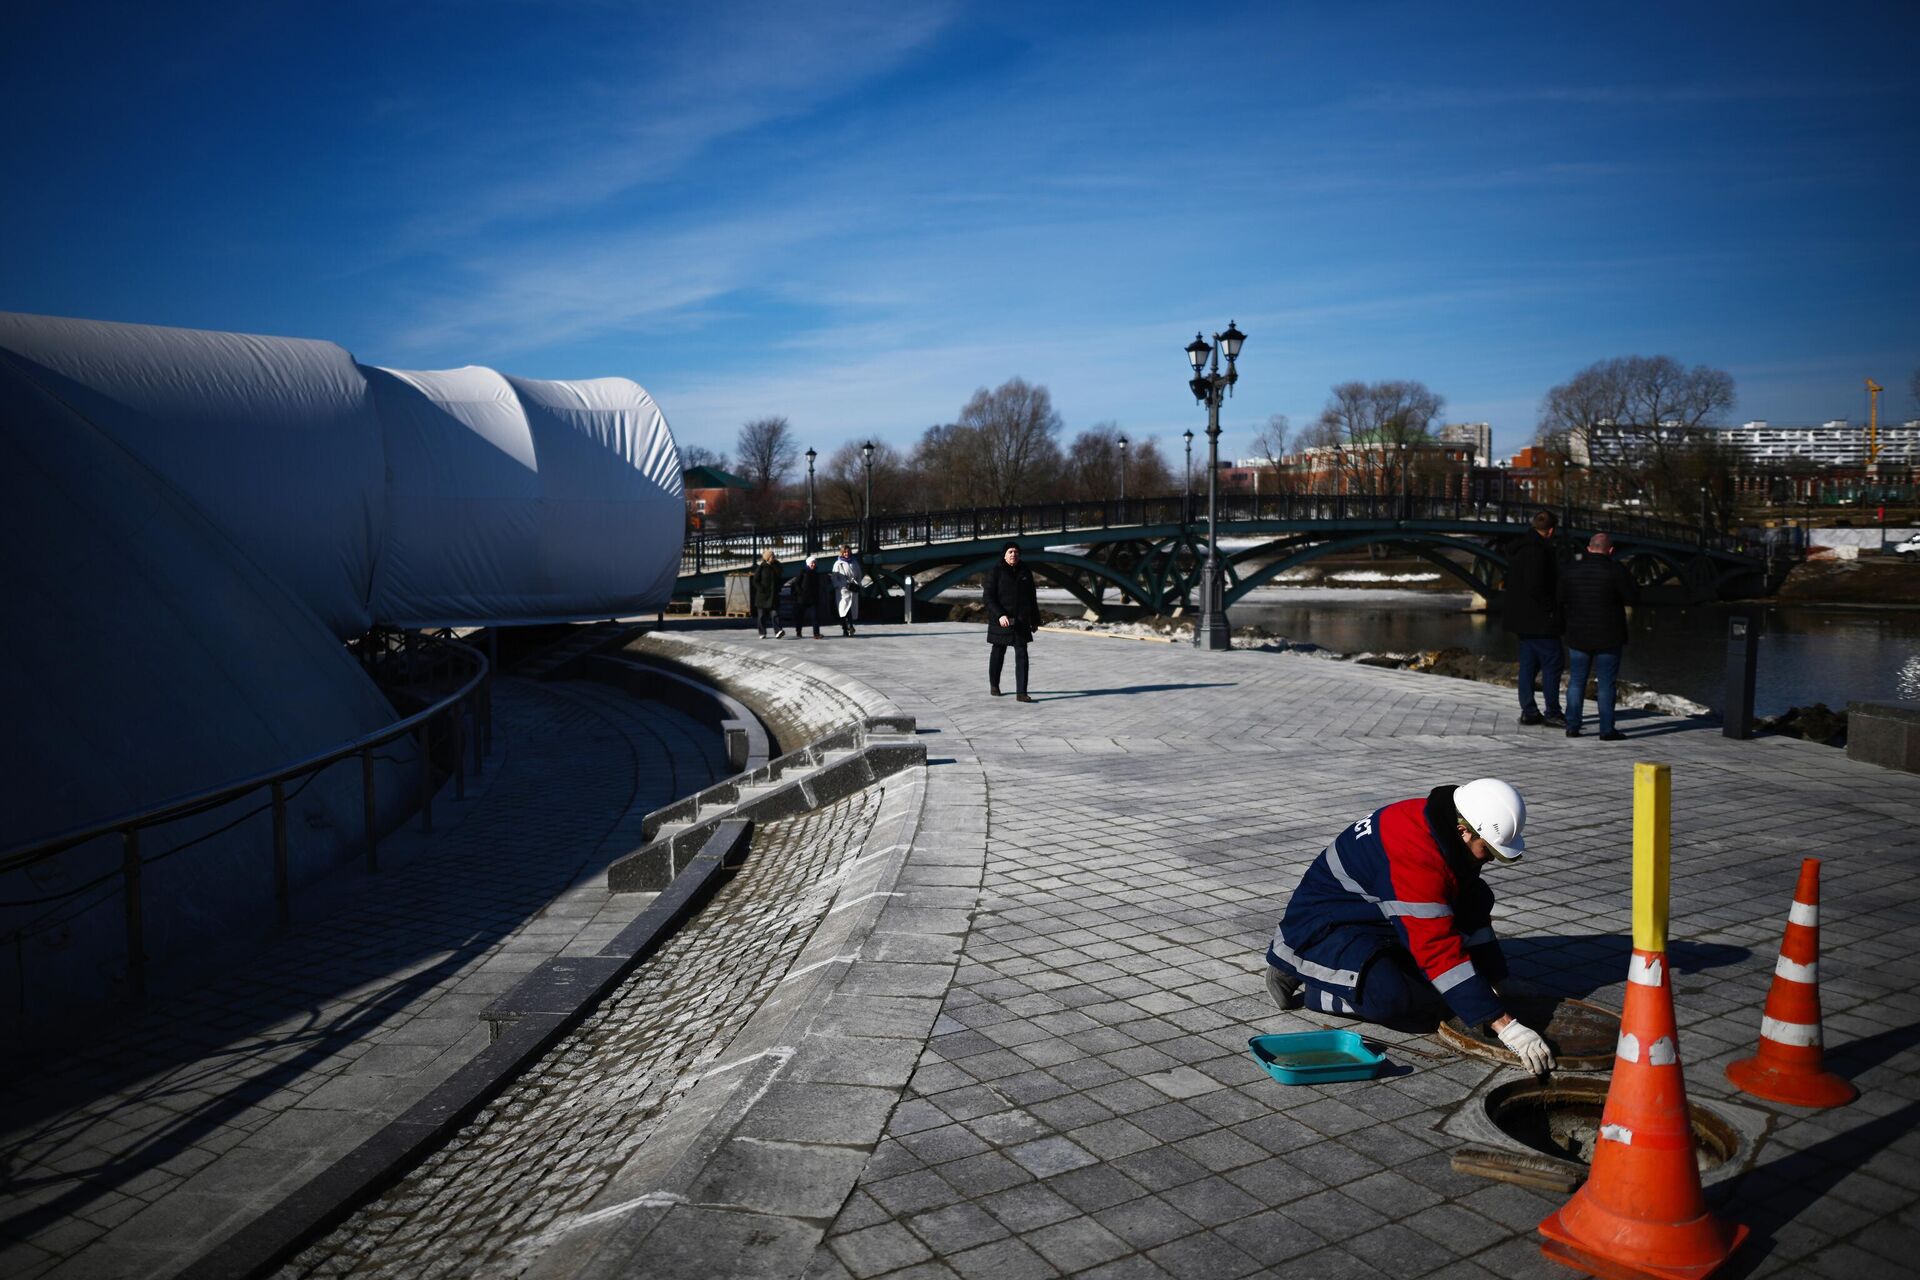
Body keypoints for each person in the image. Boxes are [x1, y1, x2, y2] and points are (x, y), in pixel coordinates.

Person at [1263, 778, 1555, 1075]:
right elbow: (1436, 949)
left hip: (1373, 915)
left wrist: (1497, 979)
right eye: (1487, 849)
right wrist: (1503, 1025)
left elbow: (1468, 913)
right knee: (1407, 1003)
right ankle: (1314, 980)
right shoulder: (1416, 859)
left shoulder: (1442, 824)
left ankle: (1347, 973)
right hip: (1325, 928)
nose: (1490, 858)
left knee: (1475, 897)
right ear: (1463, 831)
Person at [1558, 532, 1636, 741]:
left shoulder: (1570, 570)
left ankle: (1572, 725)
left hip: (1578, 633)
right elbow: (1632, 597)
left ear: (1589, 548)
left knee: (1576, 681)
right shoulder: (1616, 570)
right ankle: (1606, 729)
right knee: (1607, 683)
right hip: (1609, 635)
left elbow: (1560, 597)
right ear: (1610, 550)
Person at [1503, 510, 1565, 729]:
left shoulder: (1519, 549)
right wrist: (1551, 608)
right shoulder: (1538, 552)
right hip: (1540, 619)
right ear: (1551, 530)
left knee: (1528, 666)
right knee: (1553, 662)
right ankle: (1552, 712)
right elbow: (1536, 586)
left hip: (1521, 619)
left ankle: (1529, 710)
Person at [983, 543, 1040, 702]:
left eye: (1016, 552)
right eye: (1010, 552)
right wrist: (1000, 614)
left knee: (1022, 655)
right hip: (1001, 621)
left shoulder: (1025, 571)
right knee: (998, 653)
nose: (1013, 554)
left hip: (1021, 620)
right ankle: (994, 684)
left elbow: (1031, 598)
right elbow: (988, 598)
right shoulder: (995, 571)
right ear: (1004, 555)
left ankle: (1021, 692)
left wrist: (1034, 619)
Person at [750, 549, 784, 639]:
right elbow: (755, 580)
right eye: (772, 556)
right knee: (761, 616)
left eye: (774, 555)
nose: (774, 557)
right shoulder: (762, 567)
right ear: (767, 558)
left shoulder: (776, 566)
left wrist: (779, 588)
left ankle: (778, 631)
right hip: (762, 596)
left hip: (773, 595)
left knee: (775, 614)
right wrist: (761, 589)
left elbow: (780, 577)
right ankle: (762, 633)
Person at [790, 553, 824, 638]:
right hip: (802, 599)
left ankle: (816, 634)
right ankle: (798, 632)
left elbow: (817, 587)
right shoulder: (803, 572)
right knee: (800, 617)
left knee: (815, 617)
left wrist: (818, 596)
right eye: (811, 563)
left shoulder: (816, 573)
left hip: (813, 599)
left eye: (814, 563)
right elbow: (796, 583)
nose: (813, 564)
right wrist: (800, 592)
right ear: (808, 564)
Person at [831, 544, 862, 636]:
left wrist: (858, 584)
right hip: (843, 590)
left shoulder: (854, 562)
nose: (846, 553)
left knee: (850, 609)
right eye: (844, 552)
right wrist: (839, 585)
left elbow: (859, 575)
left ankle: (847, 628)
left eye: (848, 551)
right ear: (842, 553)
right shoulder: (838, 563)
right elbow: (834, 577)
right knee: (844, 609)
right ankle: (849, 626)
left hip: (853, 588)